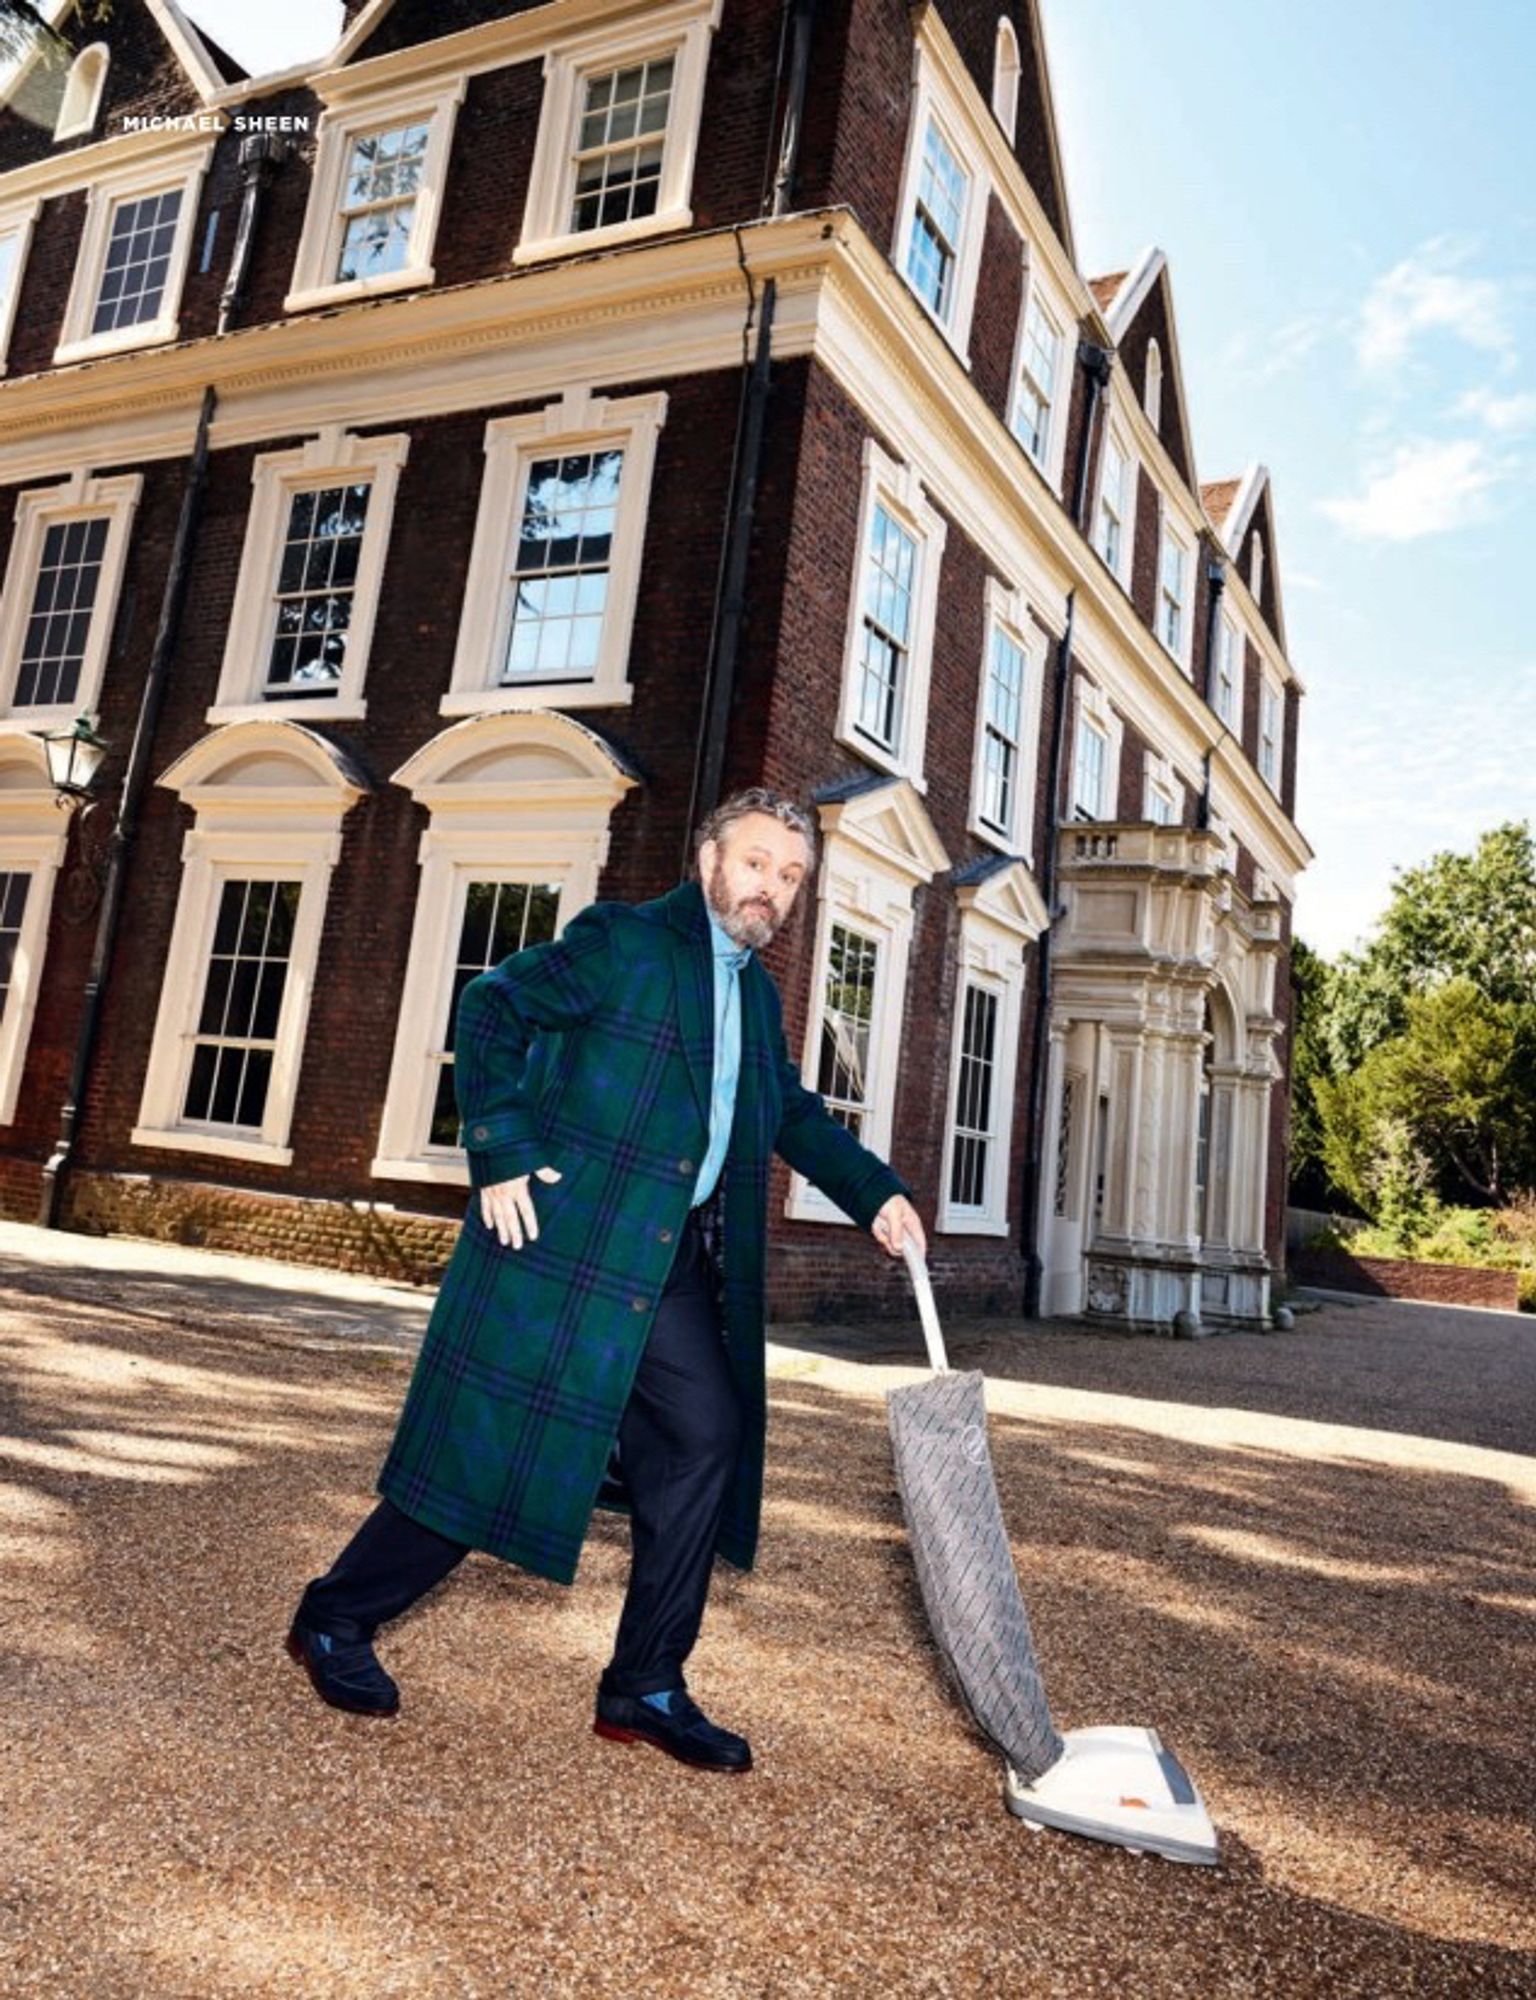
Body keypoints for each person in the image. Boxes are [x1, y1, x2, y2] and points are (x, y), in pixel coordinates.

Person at [286, 787, 926, 1773]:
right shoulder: (623, 941)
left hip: (664, 1267)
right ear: (709, 856)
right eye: (757, 862)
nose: (773, 888)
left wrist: (875, 1193)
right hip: (562, 1247)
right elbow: (492, 1005)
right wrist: (499, 1147)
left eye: (791, 875)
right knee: (483, 1457)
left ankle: (646, 1682)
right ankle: (335, 1616)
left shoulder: (754, 992)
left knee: (705, 1433)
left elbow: (788, 1113)